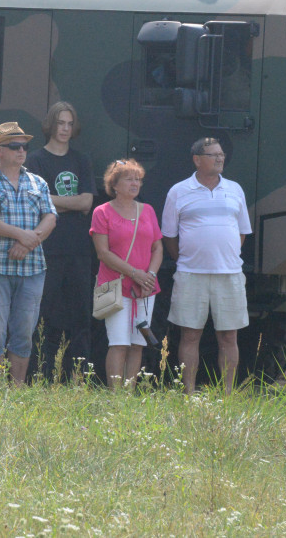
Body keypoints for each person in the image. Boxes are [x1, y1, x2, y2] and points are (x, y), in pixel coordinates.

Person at [162, 137, 252, 395]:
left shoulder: (235, 189)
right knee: (190, 337)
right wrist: (186, 259)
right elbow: (168, 235)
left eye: (221, 154)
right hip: (191, 274)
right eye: (213, 155)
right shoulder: (178, 191)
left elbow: (242, 232)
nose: (220, 158)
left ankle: (226, 394)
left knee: (229, 337)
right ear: (197, 160)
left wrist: (225, 253)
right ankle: (188, 394)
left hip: (230, 275)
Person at [0, 122, 57, 387]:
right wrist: (22, 235)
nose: (21, 151)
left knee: (24, 332)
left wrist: (30, 242)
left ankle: (17, 390)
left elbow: (50, 217)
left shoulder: (37, 181)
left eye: (24, 146)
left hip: (32, 269)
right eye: (14, 146)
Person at [25, 101, 97, 382]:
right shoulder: (34, 160)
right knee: (42, 316)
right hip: (46, 249)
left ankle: (79, 378)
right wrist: (71, 203)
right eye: (60, 123)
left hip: (79, 249)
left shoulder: (82, 160)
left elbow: (87, 201)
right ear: (51, 126)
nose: (65, 129)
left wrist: (53, 201)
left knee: (81, 316)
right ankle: (35, 375)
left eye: (69, 124)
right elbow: (35, 201)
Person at [90, 159, 163, 389]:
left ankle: (128, 396)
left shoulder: (148, 210)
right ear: (115, 184)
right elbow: (102, 253)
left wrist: (149, 275)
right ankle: (115, 398)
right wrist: (135, 274)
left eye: (138, 179)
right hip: (116, 287)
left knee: (137, 343)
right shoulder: (102, 212)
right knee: (119, 343)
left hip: (145, 288)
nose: (135, 183)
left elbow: (157, 247)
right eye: (129, 179)